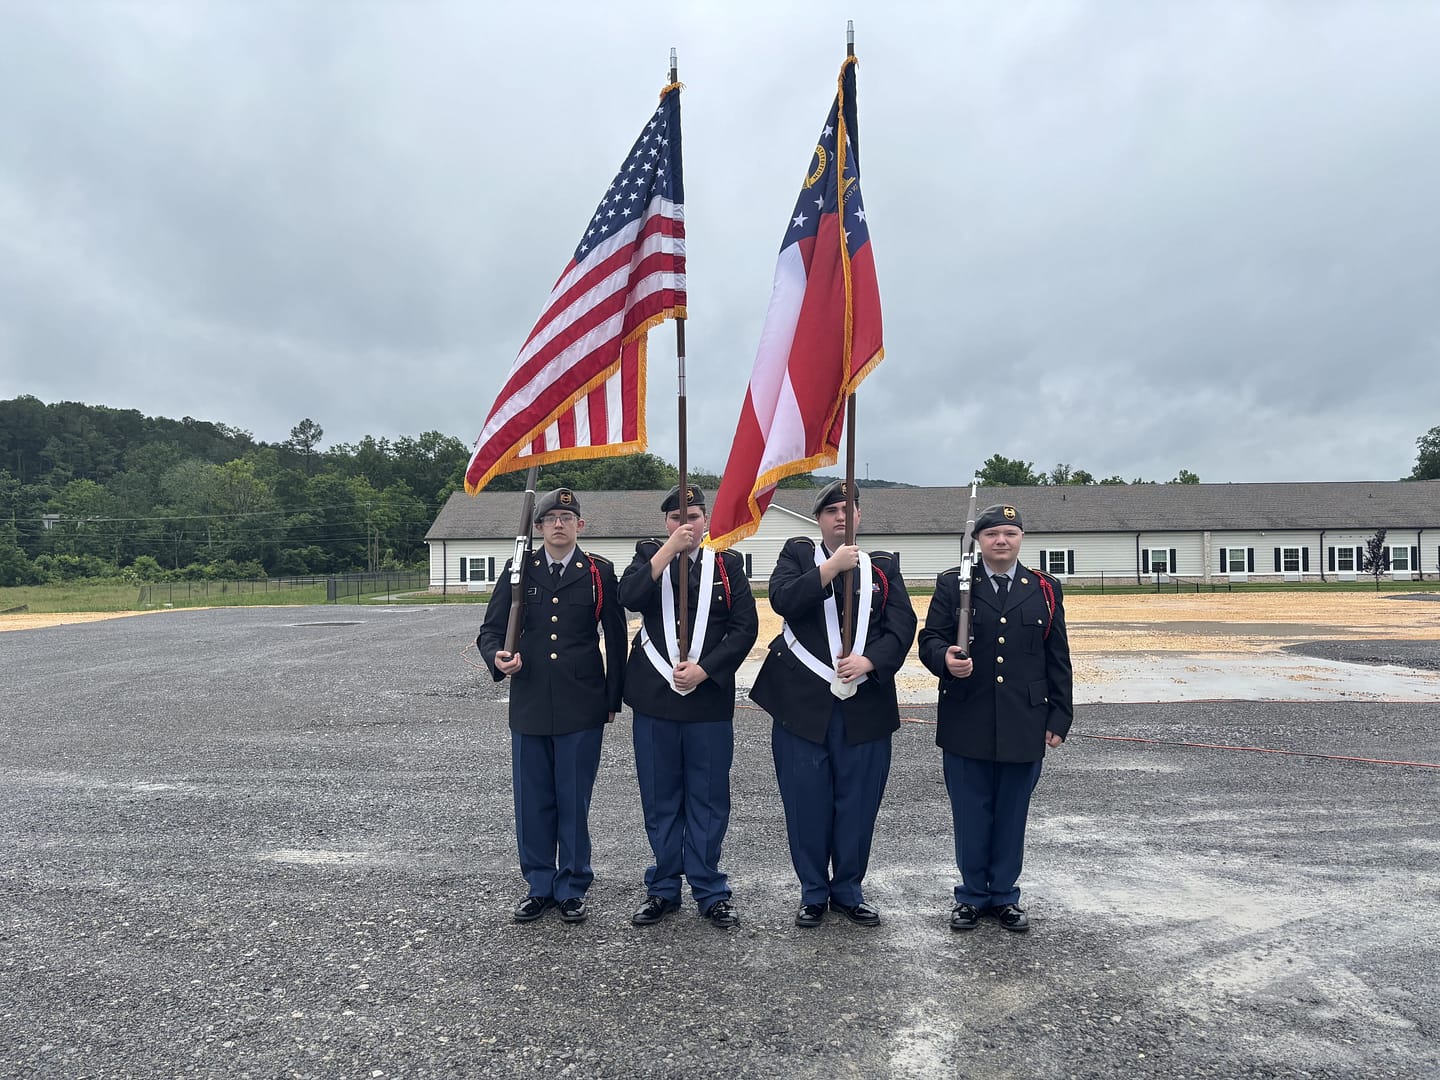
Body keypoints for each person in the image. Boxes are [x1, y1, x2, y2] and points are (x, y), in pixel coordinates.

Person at [750, 480, 917, 929]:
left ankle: (848, 890)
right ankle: (812, 892)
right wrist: (830, 569)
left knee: (858, 805)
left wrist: (871, 660)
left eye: (849, 508)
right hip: (802, 708)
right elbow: (784, 600)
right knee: (806, 804)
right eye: (831, 511)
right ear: (819, 519)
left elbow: (902, 625)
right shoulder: (798, 556)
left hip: (864, 705)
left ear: (859, 515)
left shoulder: (882, 567)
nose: (841, 516)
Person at [918, 502, 1073, 933]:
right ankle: (970, 896)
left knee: (1011, 813)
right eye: (991, 534)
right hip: (967, 716)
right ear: (978, 540)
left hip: (1024, 719)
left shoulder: (1044, 588)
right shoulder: (954, 583)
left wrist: (1060, 715)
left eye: (1009, 533)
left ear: (1021, 538)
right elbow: (930, 639)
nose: (1001, 541)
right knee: (971, 812)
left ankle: (1004, 895)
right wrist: (945, 659)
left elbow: (1057, 655)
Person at [477, 487, 627, 925]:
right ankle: (539, 885)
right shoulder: (518, 570)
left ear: (580, 525)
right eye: (550, 519)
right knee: (533, 800)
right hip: (530, 701)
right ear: (539, 526)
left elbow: (616, 640)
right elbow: (491, 630)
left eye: (567, 517)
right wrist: (497, 657)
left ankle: (573, 885)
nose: (558, 524)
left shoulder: (599, 572)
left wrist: (612, 699)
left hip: (582, 703)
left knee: (573, 799)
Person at [619, 484, 758, 929]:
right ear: (666, 523)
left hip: (707, 700)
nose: (686, 524)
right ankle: (662, 888)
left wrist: (706, 669)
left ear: (706, 522)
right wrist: (666, 553)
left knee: (708, 799)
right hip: (655, 699)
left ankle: (709, 889)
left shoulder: (726, 565)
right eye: (677, 518)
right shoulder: (648, 557)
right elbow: (629, 597)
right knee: (660, 798)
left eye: (694, 517)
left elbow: (744, 628)